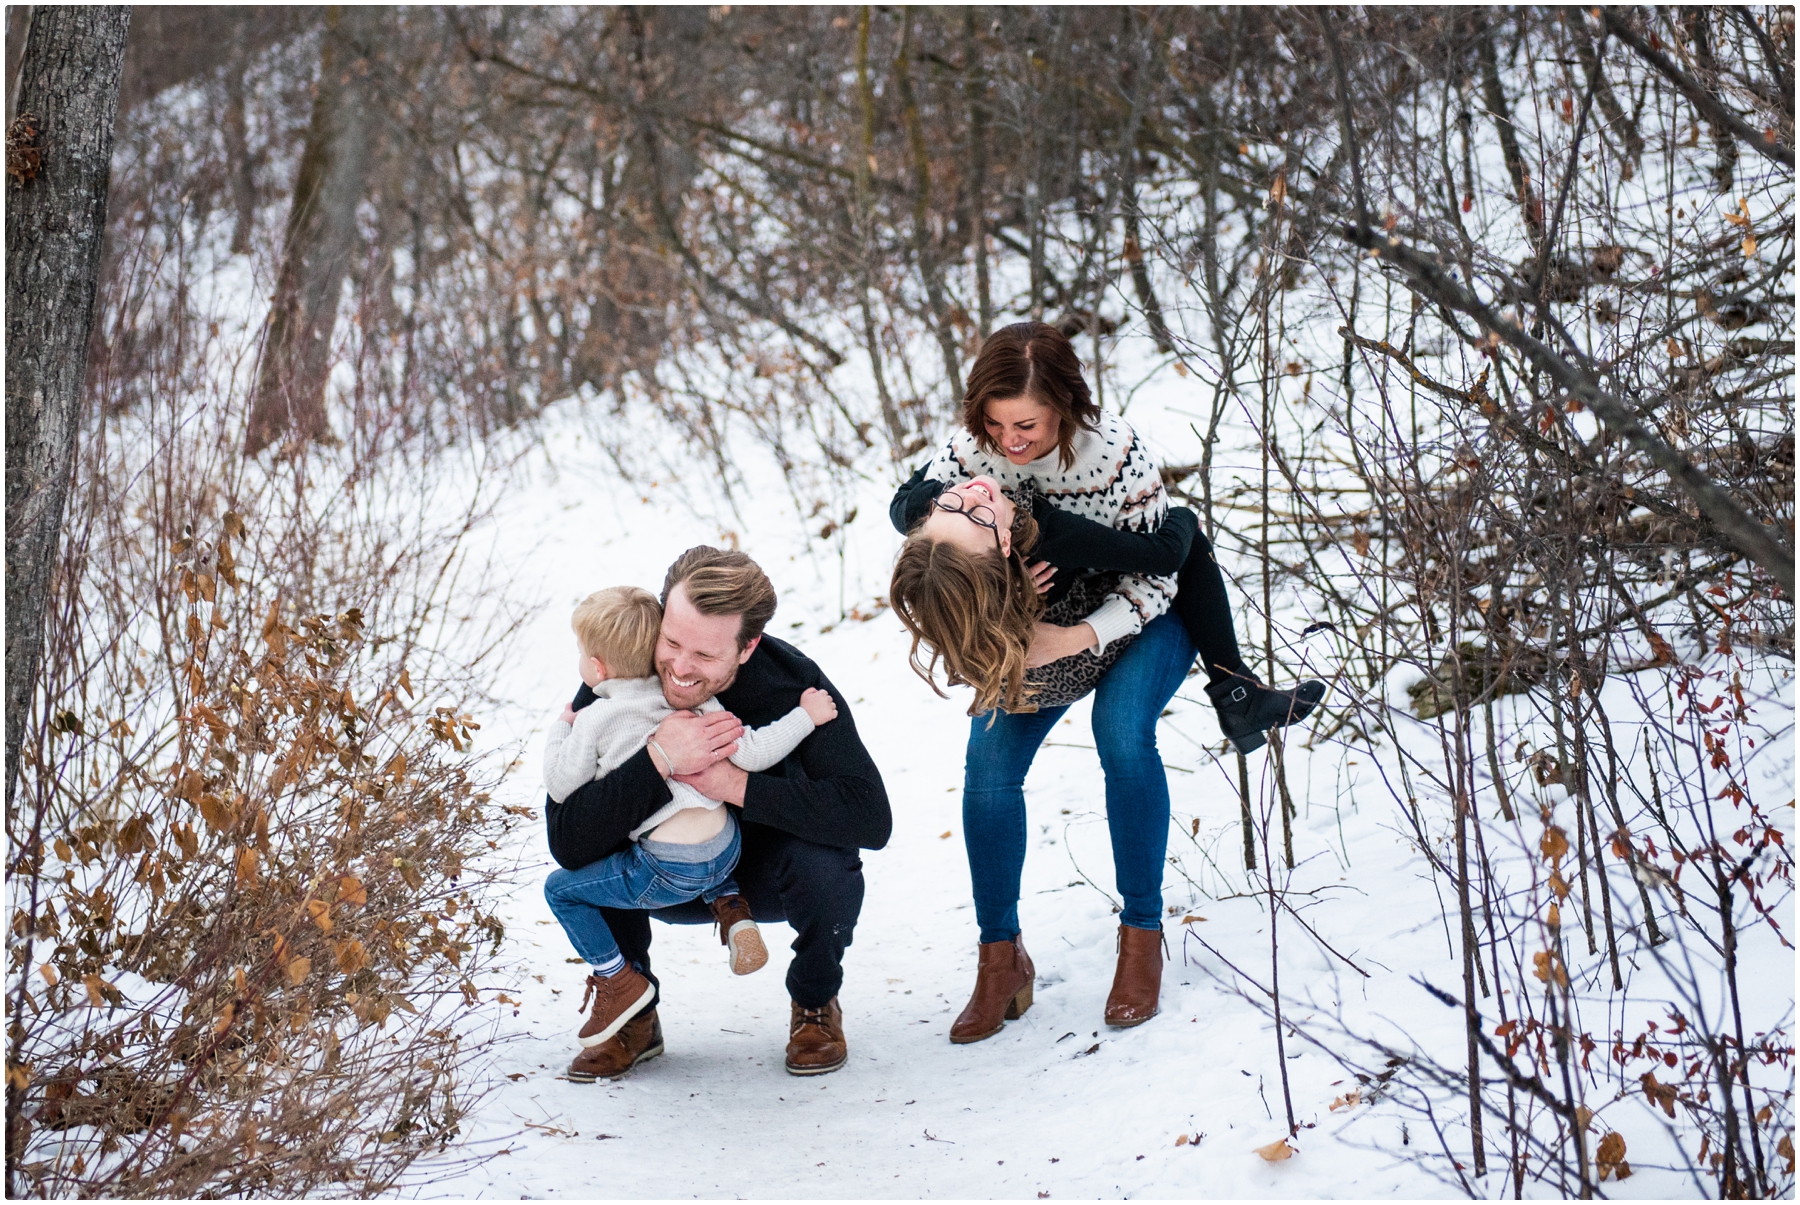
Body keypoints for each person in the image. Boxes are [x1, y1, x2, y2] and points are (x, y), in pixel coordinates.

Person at [887, 321, 1323, 1044]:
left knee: (1120, 733)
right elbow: (931, 546)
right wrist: (1011, 602)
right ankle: (1002, 958)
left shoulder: (1112, 456)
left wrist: (1079, 634)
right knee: (987, 773)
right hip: (1032, 633)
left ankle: (1141, 936)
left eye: (1026, 423)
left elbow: (1165, 569)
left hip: (1138, 616)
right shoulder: (969, 459)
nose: (1009, 440)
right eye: (995, 423)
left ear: (1065, 406)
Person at [544, 548, 890, 1081]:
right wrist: (657, 762)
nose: (680, 669)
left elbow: (870, 817)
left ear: (747, 647)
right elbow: (568, 841)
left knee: (827, 854)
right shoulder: (621, 675)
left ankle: (815, 1003)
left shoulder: (789, 682)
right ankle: (634, 1016)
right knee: (592, 852)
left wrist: (733, 784)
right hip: (658, 876)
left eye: (705, 655)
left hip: (762, 875)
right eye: (672, 642)